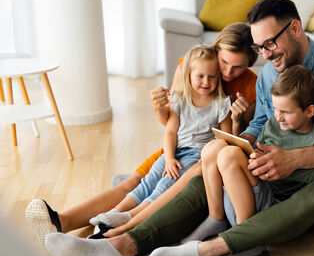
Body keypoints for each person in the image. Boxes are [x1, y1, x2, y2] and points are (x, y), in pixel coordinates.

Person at [43, 0, 314, 256]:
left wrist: (294, 160)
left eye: (269, 43)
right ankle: (120, 247)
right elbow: (260, 124)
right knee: (205, 171)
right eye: (260, 48)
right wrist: (239, 147)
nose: (266, 55)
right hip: (272, 173)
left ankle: (209, 250)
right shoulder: (271, 74)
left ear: (294, 28)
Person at [25, 22, 258, 244]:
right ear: (216, 49)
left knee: (164, 184)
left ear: (249, 63)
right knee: (134, 182)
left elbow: (237, 141)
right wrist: (159, 109)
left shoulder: (251, 85)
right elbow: (171, 122)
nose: (228, 71)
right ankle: (62, 222)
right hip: (179, 144)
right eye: (225, 61)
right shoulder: (192, 65)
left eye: (238, 67)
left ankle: (122, 225)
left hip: (211, 155)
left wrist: (239, 117)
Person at [181, 65, 314, 245]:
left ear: (309, 111)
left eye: (286, 112)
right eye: (275, 109)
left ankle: (244, 236)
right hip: (246, 193)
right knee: (213, 147)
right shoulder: (272, 124)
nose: (278, 117)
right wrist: (255, 156)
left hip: (270, 203)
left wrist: (286, 164)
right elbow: (254, 149)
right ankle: (215, 218)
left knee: (229, 155)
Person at [87, 44, 232, 232]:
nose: (206, 81)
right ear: (188, 75)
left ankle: (131, 217)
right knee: (148, 180)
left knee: (163, 186)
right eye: (200, 76)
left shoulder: (221, 104)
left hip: (197, 156)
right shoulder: (180, 98)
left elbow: (226, 139)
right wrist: (169, 158)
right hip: (175, 152)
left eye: (212, 76)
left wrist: (235, 119)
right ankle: (114, 213)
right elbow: (171, 131)